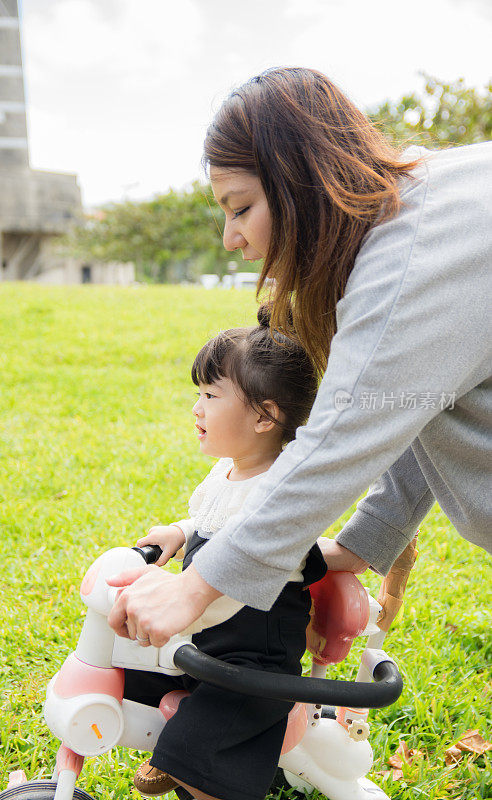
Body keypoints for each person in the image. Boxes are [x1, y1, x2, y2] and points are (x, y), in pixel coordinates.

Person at [108, 65, 491, 698]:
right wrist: (364, 543)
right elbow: (417, 403)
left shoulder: (409, 260)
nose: (233, 238)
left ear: (299, 185)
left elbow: (337, 443)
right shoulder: (421, 201)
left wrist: (196, 586)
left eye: (242, 209)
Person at [121, 310, 327, 800]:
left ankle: (200, 779)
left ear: (264, 417)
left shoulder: (278, 497)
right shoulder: (228, 472)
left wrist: (171, 596)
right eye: (199, 394)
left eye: (211, 396)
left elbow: (235, 578)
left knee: (203, 749)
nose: (197, 408)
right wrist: (180, 530)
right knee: (130, 672)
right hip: (209, 639)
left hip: (253, 660)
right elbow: (213, 524)